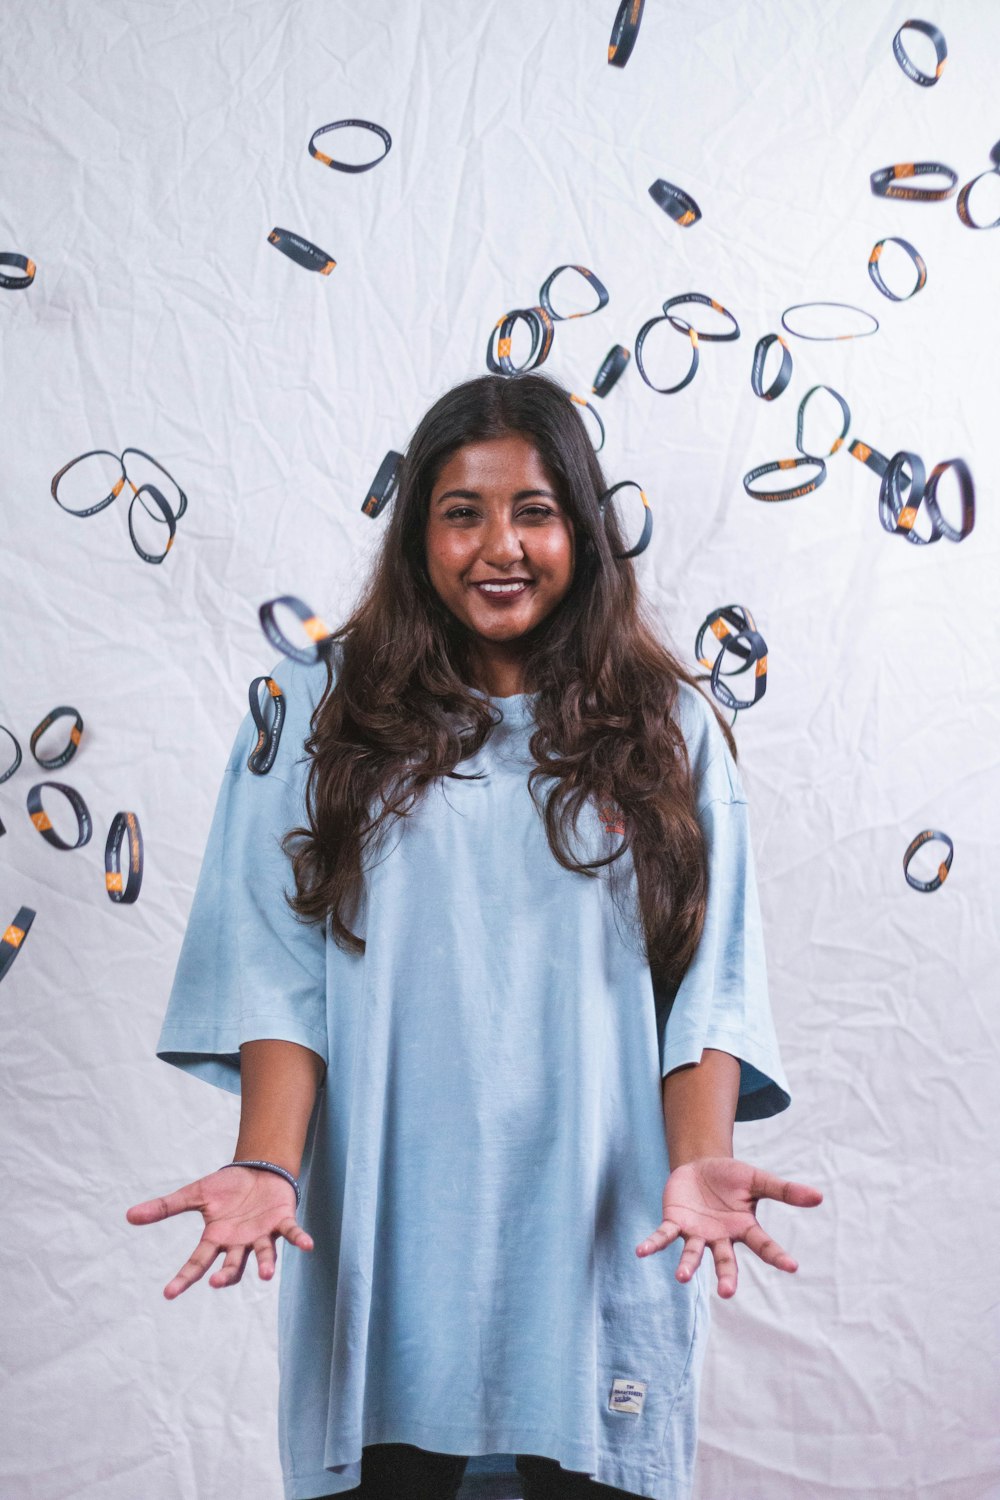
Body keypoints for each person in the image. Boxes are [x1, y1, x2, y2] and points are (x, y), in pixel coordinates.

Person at [127, 370, 823, 1500]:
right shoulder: (317, 709)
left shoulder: (670, 724)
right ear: (418, 536)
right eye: (462, 512)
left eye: (534, 511)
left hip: (601, 1225)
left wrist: (697, 1160)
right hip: (392, 1237)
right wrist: (266, 1160)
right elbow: (275, 966)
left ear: (584, 532)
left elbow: (707, 979)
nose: (498, 546)